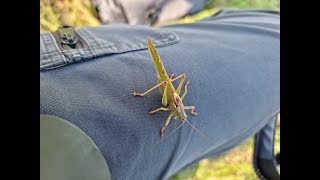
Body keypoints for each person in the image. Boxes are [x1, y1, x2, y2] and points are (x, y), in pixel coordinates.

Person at [40, 8, 280, 180]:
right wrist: (160, 111)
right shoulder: (172, 112)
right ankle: (145, 90)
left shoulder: (181, 112)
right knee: (164, 102)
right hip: (163, 86)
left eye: (182, 117)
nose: (180, 117)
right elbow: (164, 110)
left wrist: (183, 112)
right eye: (181, 117)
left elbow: (179, 111)